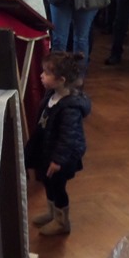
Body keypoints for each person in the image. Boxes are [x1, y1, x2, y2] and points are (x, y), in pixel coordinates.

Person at [24, 51, 89, 237]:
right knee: (48, 183)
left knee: (58, 187)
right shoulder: (51, 96)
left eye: (46, 73)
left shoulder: (70, 108)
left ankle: (62, 222)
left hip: (61, 158)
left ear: (60, 79)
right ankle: (52, 213)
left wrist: (58, 160)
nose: (41, 75)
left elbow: (68, 137)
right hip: (48, 150)